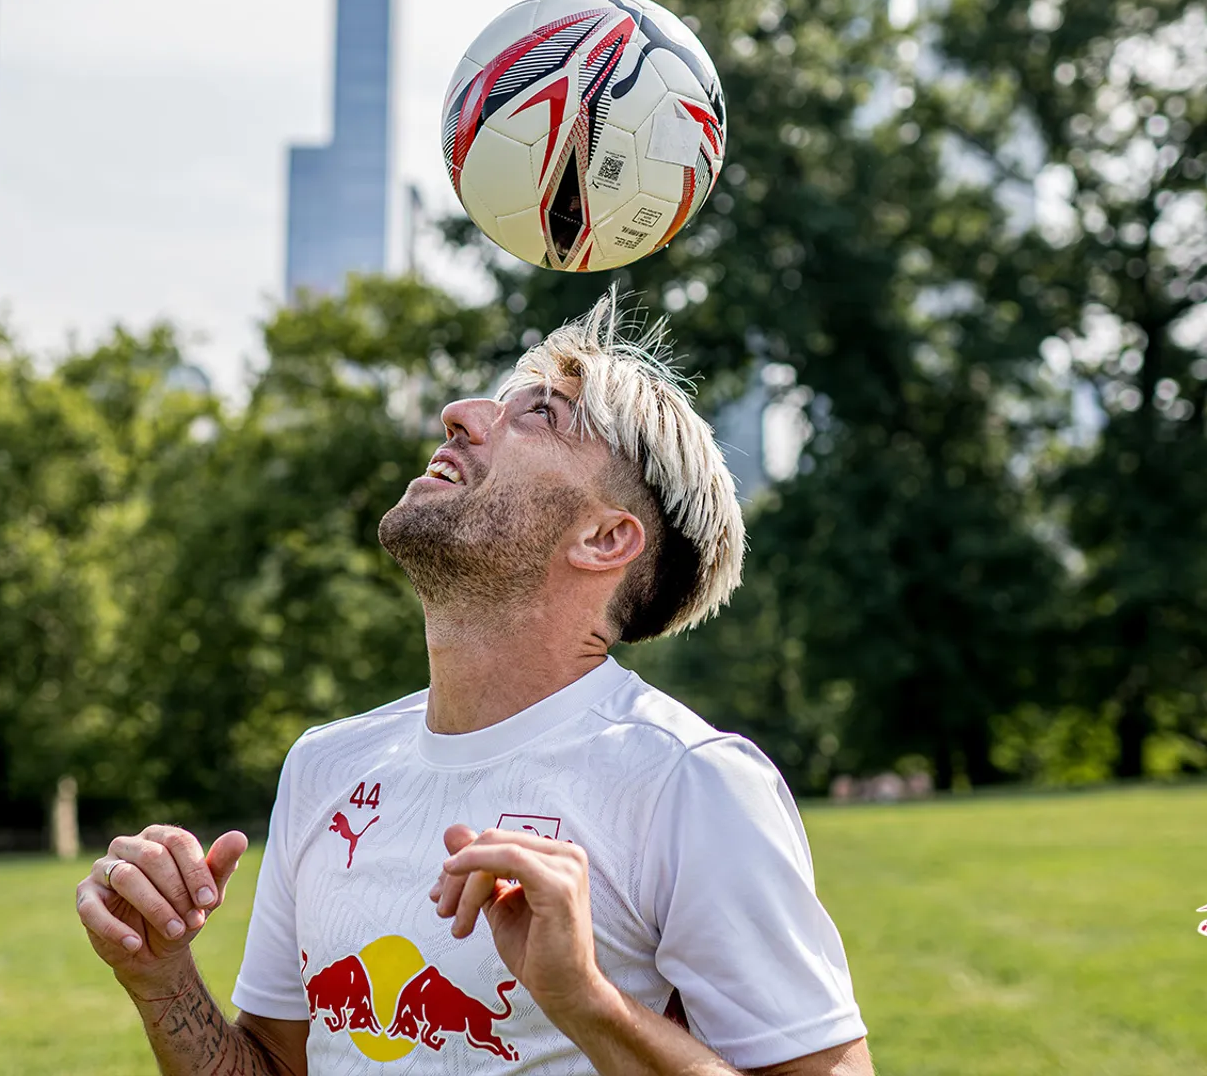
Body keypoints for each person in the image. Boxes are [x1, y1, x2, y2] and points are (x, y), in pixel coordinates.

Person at [77, 299, 873, 1075]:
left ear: (604, 538)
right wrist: (163, 979)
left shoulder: (689, 780)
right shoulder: (324, 766)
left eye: (542, 415)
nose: (459, 414)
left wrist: (589, 1003)